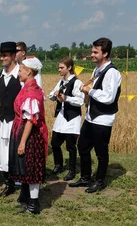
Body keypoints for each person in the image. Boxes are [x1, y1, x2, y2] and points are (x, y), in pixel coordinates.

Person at [70, 37, 121, 193]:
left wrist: (89, 91)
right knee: (83, 146)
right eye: (92, 51)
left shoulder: (112, 72)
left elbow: (108, 97)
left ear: (105, 53)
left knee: (100, 152)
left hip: (103, 119)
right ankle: (86, 177)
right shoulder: (97, 70)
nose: (91, 54)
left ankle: (100, 181)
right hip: (91, 117)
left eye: (95, 52)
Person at [9, 58, 48, 215]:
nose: (18, 73)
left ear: (29, 72)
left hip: (31, 135)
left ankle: (33, 205)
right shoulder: (29, 88)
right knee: (25, 166)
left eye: (20, 70)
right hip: (23, 130)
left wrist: (22, 142)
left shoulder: (31, 92)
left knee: (31, 168)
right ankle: (26, 198)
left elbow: (31, 120)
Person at [49, 58, 84, 181]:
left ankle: (72, 170)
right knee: (55, 143)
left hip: (72, 118)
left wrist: (67, 98)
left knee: (71, 146)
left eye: (61, 67)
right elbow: (51, 94)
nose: (59, 70)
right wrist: (54, 95)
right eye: (59, 67)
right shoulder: (61, 82)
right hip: (61, 116)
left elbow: (80, 101)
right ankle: (58, 165)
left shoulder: (77, 83)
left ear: (69, 68)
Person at [0, 41, 21, 198]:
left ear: (12, 55)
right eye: (1, 55)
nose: (1, 58)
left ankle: (22, 184)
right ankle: (8, 184)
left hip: (16, 120)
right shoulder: (0, 74)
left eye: (4, 55)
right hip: (3, 120)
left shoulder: (21, 74)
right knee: (3, 153)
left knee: (17, 153)